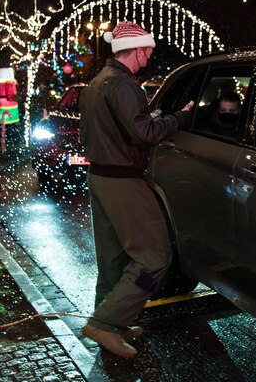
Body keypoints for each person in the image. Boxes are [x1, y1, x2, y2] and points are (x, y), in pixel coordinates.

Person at [78, 20, 194, 358]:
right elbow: (145, 133)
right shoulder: (125, 85)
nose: (152, 53)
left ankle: (111, 323)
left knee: (113, 259)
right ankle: (105, 322)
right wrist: (179, 119)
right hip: (123, 181)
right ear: (138, 49)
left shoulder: (97, 83)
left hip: (100, 178)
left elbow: (111, 129)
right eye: (150, 48)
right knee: (155, 256)